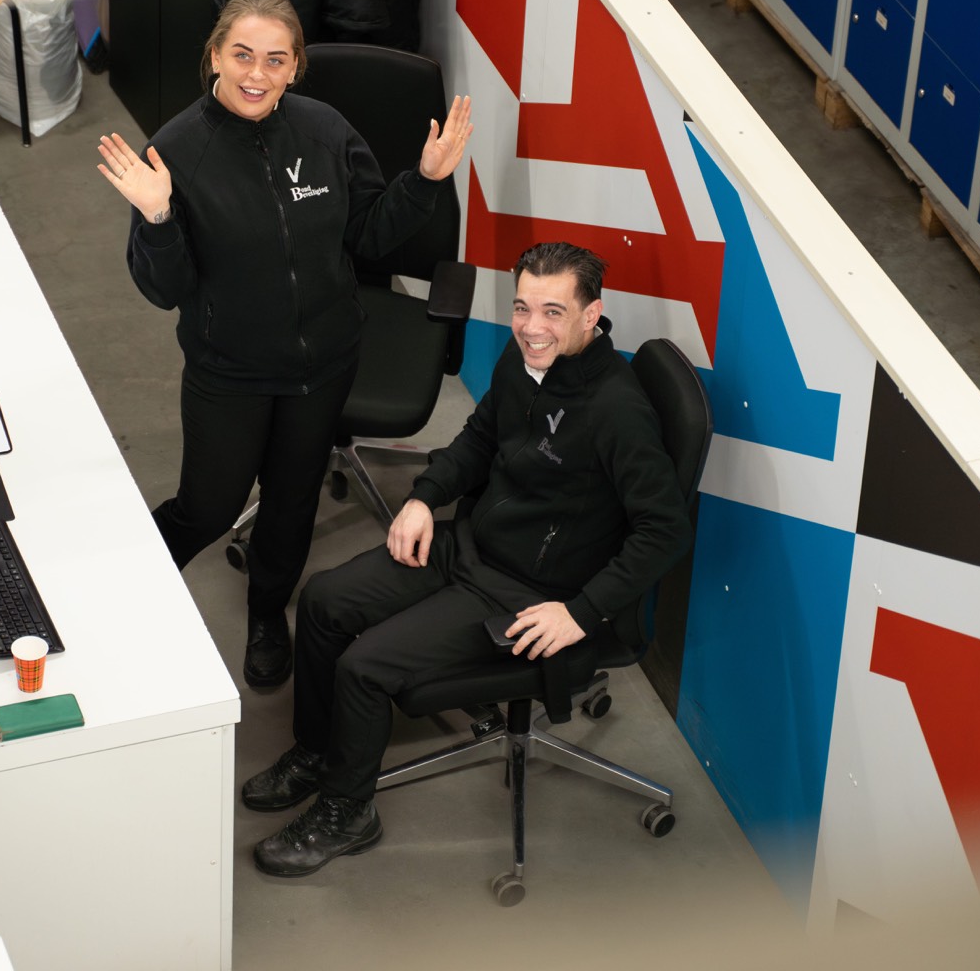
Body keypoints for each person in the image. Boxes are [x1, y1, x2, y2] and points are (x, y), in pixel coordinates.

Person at [240, 241, 693, 877]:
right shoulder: (525, 358)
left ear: (592, 315)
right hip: (472, 544)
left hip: (527, 592)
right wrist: (424, 498)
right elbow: (481, 437)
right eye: (522, 307)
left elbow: (665, 529)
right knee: (323, 601)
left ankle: (348, 811)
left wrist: (581, 612)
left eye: (554, 312)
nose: (532, 327)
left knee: (365, 667)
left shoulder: (617, 412)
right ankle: (318, 751)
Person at [96, 0, 472, 690]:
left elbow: (368, 236)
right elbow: (164, 290)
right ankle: (127, 587)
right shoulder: (175, 150)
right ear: (214, 56)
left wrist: (423, 183)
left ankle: (268, 613)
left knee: (292, 503)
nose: (256, 74)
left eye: (275, 59)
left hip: (323, 365)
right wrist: (157, 217)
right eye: (242, 55)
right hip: (229, 371)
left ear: (296, 67)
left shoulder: (325, 130)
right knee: (208, 508)